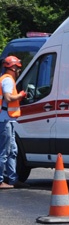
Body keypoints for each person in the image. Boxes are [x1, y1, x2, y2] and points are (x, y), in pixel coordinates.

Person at [0, 56, 28, 189]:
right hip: (4, 120)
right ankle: (0, 180)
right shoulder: (8, 80)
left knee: (12, 150)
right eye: (17, 68)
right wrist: (21, 95)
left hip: (8, 119)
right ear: (13, 67)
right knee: (4, 151)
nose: (18, 71)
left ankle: (12, 179)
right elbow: (8, 97)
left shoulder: (5, 79)